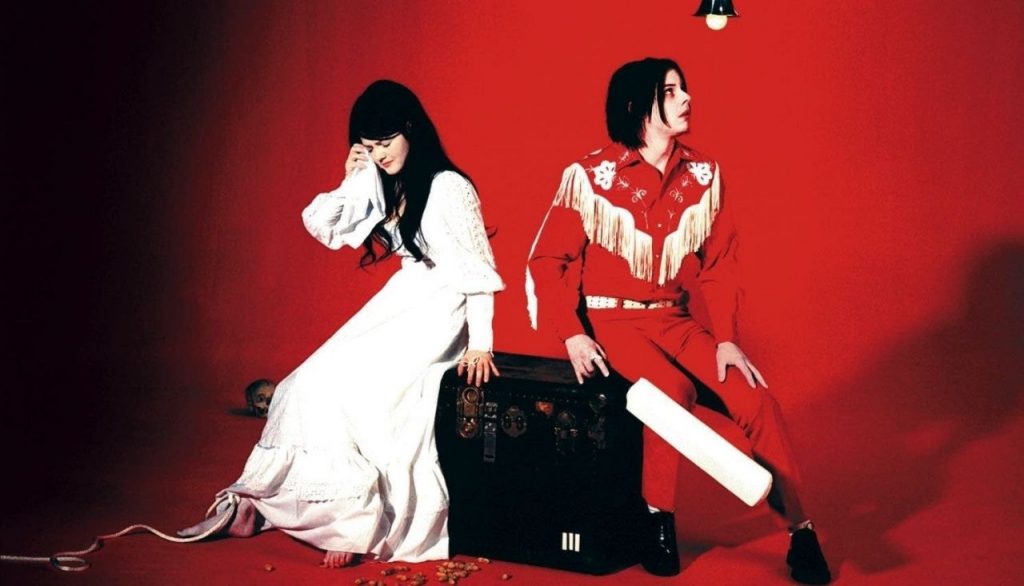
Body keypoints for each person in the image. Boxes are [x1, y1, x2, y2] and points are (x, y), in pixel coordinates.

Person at [526, 58, 831, 584]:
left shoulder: (704, 174)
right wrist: (572, 333)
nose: (686, 98)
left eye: (684, 88)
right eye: (670, 91)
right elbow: (546, 260)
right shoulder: (589, 175)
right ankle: (657, 518)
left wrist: (728, 339)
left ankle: (800, 530)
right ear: (636, 106)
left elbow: (719, 265)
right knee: (669, 393)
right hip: (612, 323)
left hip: (676, 320)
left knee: (754, 397)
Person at [179, 80, 504, 568]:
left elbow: (477, 271)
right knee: (304, 385)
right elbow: (327, 225)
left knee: (359, 394)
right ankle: (257, 500)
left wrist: (481, 344)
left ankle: (352, 523)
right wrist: (353, 177)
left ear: (411, 129)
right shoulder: (385, 178)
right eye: (370, 146)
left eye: (386, 142)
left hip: (440, 311)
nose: (380, 154)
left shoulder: (448, 187)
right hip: (404, 299)